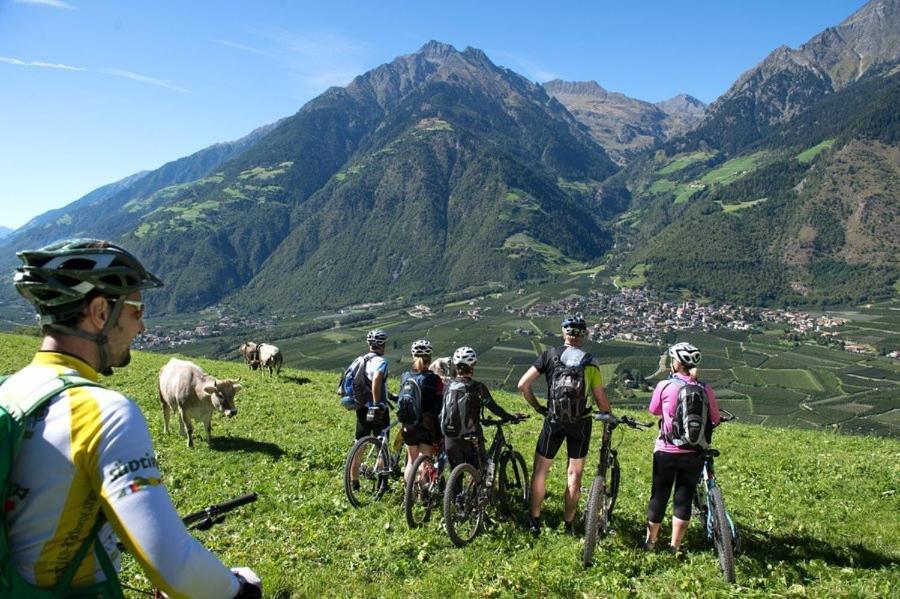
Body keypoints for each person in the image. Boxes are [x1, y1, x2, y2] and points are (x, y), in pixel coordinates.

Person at [3, 239, 261, 598]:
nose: (141, 328)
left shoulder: (10, 392)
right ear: (98, 312)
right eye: (136, 311)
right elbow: (174, 566)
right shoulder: (104, 413)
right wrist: (239, 588)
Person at [517, 315, 609, 536]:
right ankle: (568, 523)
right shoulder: (590, 361)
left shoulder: (550, 356)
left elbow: (523, 384)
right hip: (581, 424)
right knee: (574, 475)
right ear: (583, 335)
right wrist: (608, 415)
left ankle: (535, 520)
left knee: (541, 470)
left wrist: (538, 407)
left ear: (564, 333)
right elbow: (600, 399)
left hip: (553, 420)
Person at [644, 342, 721, 553]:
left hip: (666, 450)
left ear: (676, 363)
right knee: (683, 498)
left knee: (659, 496)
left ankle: (651, 542)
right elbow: (714, 418)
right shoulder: (705, 389)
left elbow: (653, 411)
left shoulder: (665, 386)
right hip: (693, 452)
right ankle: (674, 546)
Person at [442, 346, 520, 469]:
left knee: (455, 477)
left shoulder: (448, 386)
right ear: (473, 365)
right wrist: (511, 417)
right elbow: (493, 407)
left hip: (450, 435)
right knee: (479, 470)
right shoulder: (477, 387)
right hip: (471, 437)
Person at [348, 329, 391, 491]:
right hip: (377, 409)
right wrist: (376, 403)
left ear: (369, 344)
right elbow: (376, 381)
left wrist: (390, 395)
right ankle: (382, 483)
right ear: (382, 345)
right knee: (382, 444)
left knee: (360, 444)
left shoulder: (361, 360)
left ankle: (354, 482)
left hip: (361, 408)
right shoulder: (381, 362)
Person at [399, 340, 443, 482]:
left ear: (413, 356)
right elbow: (440, 404)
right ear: (429, 358)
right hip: (426, 425)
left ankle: (409, 493)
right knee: (425, 462)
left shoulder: (405, 376)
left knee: (411, 461)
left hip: (408, 424)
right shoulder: (434, 379)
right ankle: (421, 496)